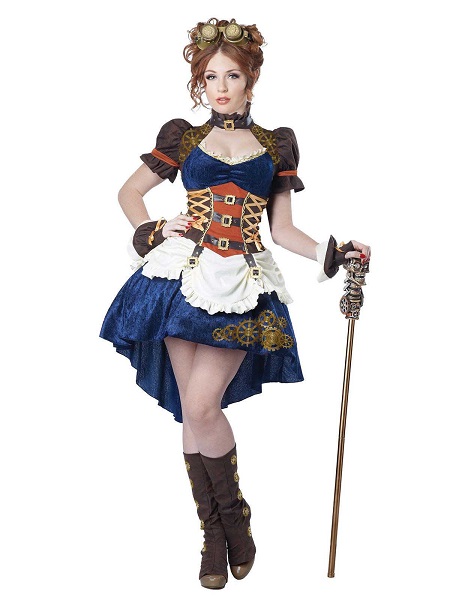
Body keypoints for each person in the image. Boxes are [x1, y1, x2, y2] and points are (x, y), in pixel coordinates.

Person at [100, 18, 371, 590]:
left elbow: (282, 230)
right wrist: (155, 229)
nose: (220, 87)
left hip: (242, 284)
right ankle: (216, 535)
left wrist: (334, 251)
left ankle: (235, 519)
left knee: (202, 407)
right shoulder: (183, 138)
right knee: (192, 411)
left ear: (251, 80)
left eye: (232, 76)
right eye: (210, 77)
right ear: (200, 81)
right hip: (180, 279)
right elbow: (129, 192)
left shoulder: (275, 146)